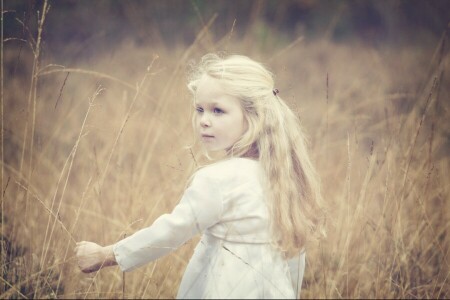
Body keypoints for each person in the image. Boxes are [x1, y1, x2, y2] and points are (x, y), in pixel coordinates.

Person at [75, 53, 325, 299]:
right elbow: (294, 254)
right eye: (200, 109)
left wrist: (107, 254)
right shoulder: (282, 176)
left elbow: (171, 232)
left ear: (254, 118)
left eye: (217, 111)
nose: (204, 120)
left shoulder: (217, 179)